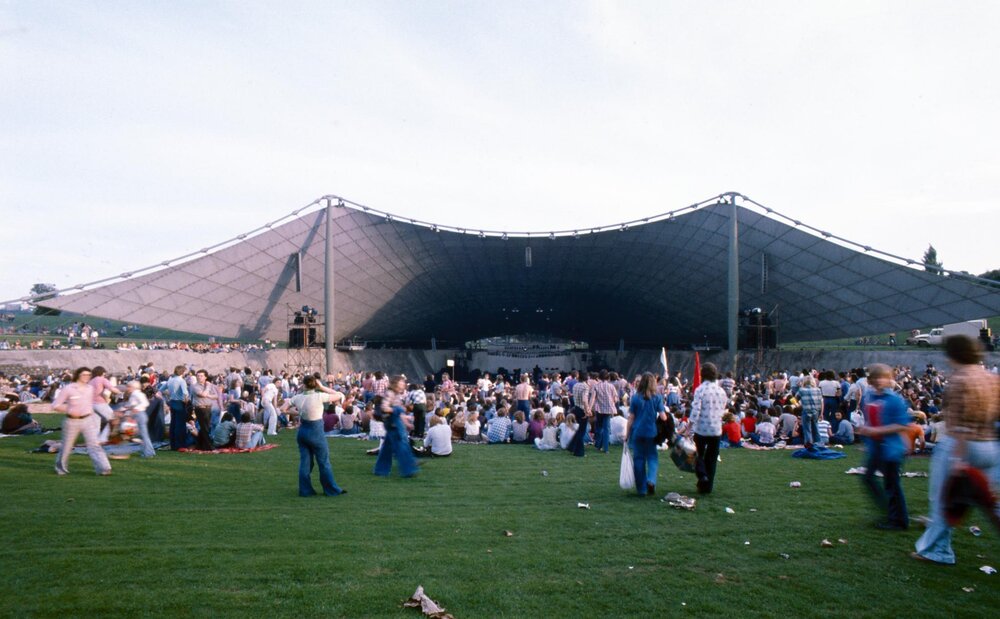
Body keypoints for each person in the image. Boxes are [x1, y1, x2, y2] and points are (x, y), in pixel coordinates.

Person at [913, 336, 1000, 564]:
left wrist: (959, 460)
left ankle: (938, 551)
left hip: (961, 445)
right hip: (990, 445)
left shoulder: (960, 380)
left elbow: (960, 423)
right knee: (991, 501)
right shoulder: (992, 379)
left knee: (944, 499)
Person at [856, 363, 912, 531]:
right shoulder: (869, 397)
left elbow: (902, 424)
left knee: (892, 484)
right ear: (870, 380)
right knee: (869, 478)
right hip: (876, 446)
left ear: (889, 380)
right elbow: (869, 419)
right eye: (876, 378)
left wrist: (875, 430)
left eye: (883, 377)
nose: (879, 381)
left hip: (891, 447)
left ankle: (899, 520)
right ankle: (891, 512)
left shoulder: (895, 399)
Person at [290, 376, 346, 497]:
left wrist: (299, 412)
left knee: (305, 462)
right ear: (315, 384)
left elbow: (282, 408)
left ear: (304, 385)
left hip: (302, 431)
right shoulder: (319, 396)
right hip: (316, 431)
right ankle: (331, 489)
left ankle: (305, 490)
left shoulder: (297, 398)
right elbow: (339, 394)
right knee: (323, 462)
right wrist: (322, 387)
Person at [52, 367, 112, 476]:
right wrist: (70, 409)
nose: (86, 377)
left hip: (88, 419)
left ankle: (104, 468)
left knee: (94, 444)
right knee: (67, 446)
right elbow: (55, 405)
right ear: (78, 375)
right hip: (71, 421)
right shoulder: (69, 388)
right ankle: (60, 468)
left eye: (88, 375)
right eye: (84, 375)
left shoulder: (90, 388)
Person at [626, 372, 667, 496]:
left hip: (638, 432)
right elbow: (663, 417)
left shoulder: (636, 397)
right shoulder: (657, 397)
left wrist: (627, 434)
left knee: (638, 459)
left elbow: (631, 418)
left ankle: (641, 489)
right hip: (652, 432)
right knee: (652, 457)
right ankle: (651, 480)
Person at [688, 362, 726, 494]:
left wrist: (689, 426)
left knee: (698, 454)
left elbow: (696, 409)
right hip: (716, 429)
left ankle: (702, 475)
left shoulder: (700, 389)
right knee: (712, 459)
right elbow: (723, 409)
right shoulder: (721, 391)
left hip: (702, 428)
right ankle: (707, 487)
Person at [374, 375, 419, 478]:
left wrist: (407, 423)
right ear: (396, 383)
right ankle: (408, 468)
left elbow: (399, 413)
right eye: (402, 382)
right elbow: (384, 407)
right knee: (401, 444)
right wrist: (395, 410)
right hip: (391, 422)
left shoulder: (397, 395)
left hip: (395, 420)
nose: (404, 384)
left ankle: (380, 470)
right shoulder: (390, 393)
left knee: (387, 447)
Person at [123, 380, 155, 457]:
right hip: (138, 415)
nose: (127, 388)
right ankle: (147, 451)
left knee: (143, 435)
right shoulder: (134, 394)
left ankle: (149, 452)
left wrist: (136, 408)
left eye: (129, 387)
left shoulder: (137, 394)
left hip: (139, 415)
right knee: (142, 435)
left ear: (133, 387)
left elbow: (145, 403)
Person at [161, 365, 190, 450]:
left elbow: (161, 389)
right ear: (183, 372)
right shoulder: (181, 381)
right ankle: (180, 445)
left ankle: (173, 444)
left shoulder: (170, 379)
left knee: (173, 424)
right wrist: (187, 400)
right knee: (180, 425)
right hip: (179, 403)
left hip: (172, 402)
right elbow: (185, 393)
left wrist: (169, 394)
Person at [190, 370, 218, 451]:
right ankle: (209, 447)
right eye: (198, 376)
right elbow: (202, 395)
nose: (199, 377)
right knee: (205, 428)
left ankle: (199, 445)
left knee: (204, 428)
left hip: (208, 408)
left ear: (205, 377)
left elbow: (216, 396)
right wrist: (208, 388)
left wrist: (207, 394)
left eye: (201, 376)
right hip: (200, 408)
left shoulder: (208, 385)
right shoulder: (195, 386)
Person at [797, 376, 822, 447]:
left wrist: (798, 405)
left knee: (807, 429)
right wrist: (820, 412)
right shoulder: (818, 390)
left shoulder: (801, 390)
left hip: (806, 410)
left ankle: (808, 444)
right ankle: (819, 443)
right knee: (816, 428)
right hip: (816, 411)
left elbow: (795, 399)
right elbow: (820, 401)